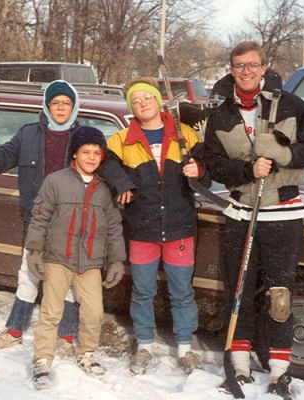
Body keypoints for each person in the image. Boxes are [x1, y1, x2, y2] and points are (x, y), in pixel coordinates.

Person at [203, 41, 304, 398]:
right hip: (241, 209)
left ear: (264, 67)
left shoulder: (290, 105)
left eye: (252, 65)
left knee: (279, 292)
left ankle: (278, 369)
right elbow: (215, 163)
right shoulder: (221, 114)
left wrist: (284, 154)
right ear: (231, 69)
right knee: (239, 289)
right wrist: (246, 168)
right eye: (239, 65)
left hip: (284, 211)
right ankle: (239, 365)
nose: (246, 71)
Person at [0, 80, 82, 353]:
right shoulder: (28, 134)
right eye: (55, 103)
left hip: (72, 218)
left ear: (74, 107)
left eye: (66, 103)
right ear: (47, 106)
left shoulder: (86, 135)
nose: (61, 108)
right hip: (36, 218)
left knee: (68, 277)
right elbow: (1, 161)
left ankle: (66, 337)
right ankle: (14, 330)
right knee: (28, 274)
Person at [99, 77, 211, 375]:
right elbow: (106, 163)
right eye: (135, 101)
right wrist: (123, 182)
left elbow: (207, 173)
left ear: (158, 101)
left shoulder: (185, 135)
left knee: (182, 291)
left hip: (179, 228)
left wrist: (198, 168)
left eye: (146, 98)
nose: (142, 104)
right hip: (143, 229)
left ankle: (186, 347)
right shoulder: (121, 139)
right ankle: (145, 344)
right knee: (143, 290)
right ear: (131, 109)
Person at [26, 126, 126, 389]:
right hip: (58, 257)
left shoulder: (105, 188)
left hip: (90, 262)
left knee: (94, 312)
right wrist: (35, 250)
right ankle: (42, 359)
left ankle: (86, 352)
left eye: (96, 153)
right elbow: (40, 217)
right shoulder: (56, 181)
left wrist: (117, 260)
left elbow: (115, 226)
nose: (92, 157)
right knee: (51, 312)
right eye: (86, 152)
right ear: (75, 155)